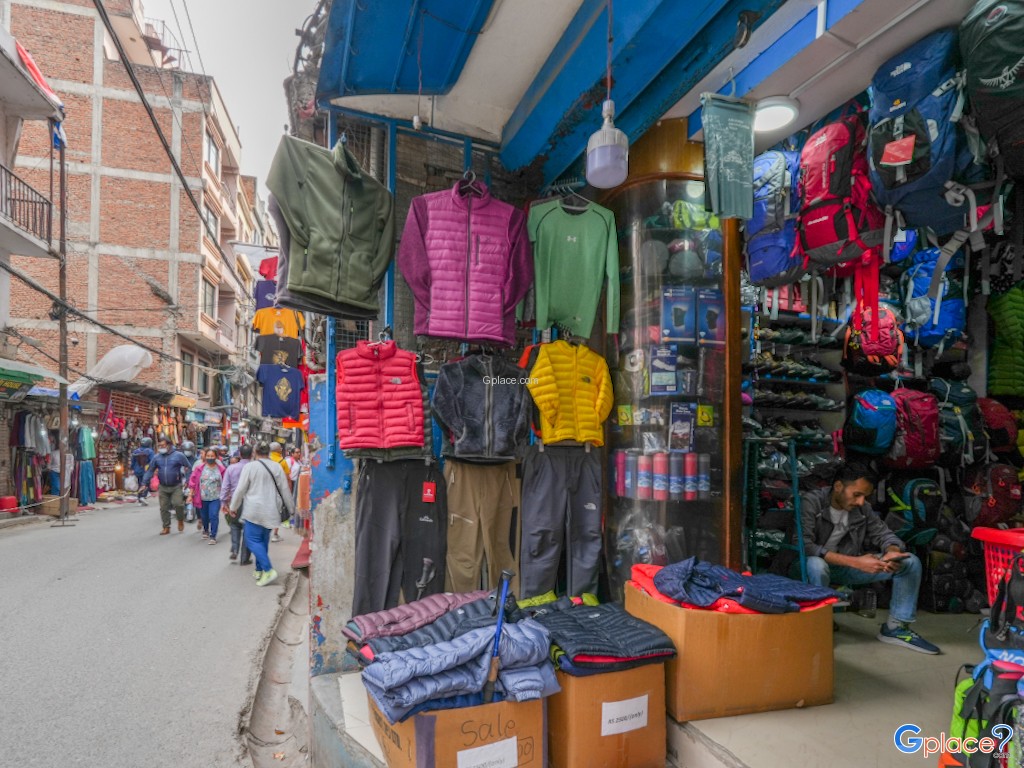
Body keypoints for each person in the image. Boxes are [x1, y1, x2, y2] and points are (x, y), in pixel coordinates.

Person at [800, 463, 940, 655]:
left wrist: (892, 551)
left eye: (865, 496)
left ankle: (896, 628)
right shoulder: (811, 501)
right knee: (817, 565)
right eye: (857, 494)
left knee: (910, 562)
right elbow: (805, 546)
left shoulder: (862, 508)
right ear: (838, 486)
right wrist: (857, 562)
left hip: (842, 568)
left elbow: (885, 535)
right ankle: (818, 626)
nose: (860, 502)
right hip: (802, 568)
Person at [228, 442, 295, 586]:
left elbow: (240, 489)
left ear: (255, 452)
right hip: (272, 510)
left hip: (254, 510)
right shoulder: (276, 467)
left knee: (252, 540)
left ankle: (268, 569)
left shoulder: (250, 467)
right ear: (268, 452)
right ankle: (259, 570)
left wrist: (233, 507)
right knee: (263, 541)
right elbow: (285, 490)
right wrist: (291, 509)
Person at [142, 436, 193, 535]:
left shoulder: (179, 455)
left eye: (163, 445)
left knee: (178, 504)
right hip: (163, 486)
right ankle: (166, 527)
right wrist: (144, 483)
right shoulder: (156, 457)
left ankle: (180, 520)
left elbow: (188, 467)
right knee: (163, 507)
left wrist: (188, 480)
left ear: (169, 445)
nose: (161, 447)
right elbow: (150, 471)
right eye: (159, 446)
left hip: (176, 486)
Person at [221, 444, 252, 563]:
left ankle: (234, 549)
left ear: (240, 455)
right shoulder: (254, 467)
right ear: (252, 454)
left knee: (235, 525)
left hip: (235, 501)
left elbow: (225, 487)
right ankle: (245, 557)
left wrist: (223, 502)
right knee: (248, 529)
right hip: (251, 502)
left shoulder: (231, 468)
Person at [188, 448, 225, 544]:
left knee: (213, 515)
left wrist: (226, 497)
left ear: (216, 457)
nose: (210, 458)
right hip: (202, 497)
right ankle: (205, 530)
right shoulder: (199, 468)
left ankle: (213, 536)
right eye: (208, 456)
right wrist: (190, 495)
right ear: (205, 457)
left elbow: (225, 483)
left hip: (216, 497)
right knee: (204, 517)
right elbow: (192, 482)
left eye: (212, 456)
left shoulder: (221, 469)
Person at [269, 441, 291, 542]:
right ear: (278, 450)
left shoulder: (265, 460)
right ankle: (275, 534)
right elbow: (287, 478)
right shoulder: (282, 461)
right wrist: (289, 491)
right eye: (280, 448)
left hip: (265, 489)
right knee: (277, 511)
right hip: (278, 490)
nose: (282, 449)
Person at [130, 437, 154, 505]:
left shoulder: (136, 451)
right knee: (146, 484)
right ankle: (143, 496)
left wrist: (132, 468)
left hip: (137, 470)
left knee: (140, 483)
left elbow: (133, 461)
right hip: (146, 470)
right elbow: (152, 461)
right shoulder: (150, 451)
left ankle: (140, 497)